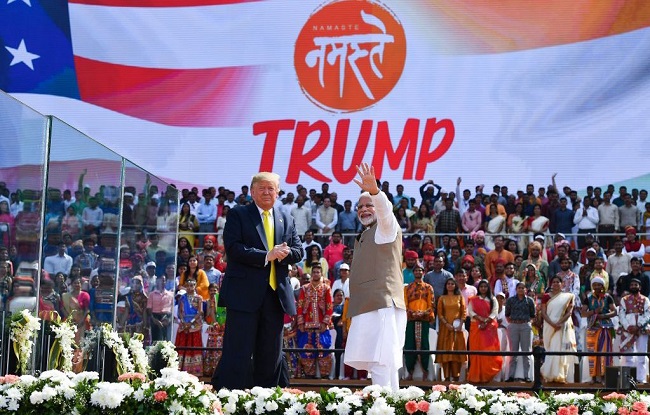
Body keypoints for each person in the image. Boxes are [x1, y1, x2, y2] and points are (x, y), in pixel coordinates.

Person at [212, 172, 303, 390]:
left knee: (270, 353)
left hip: (274, 296)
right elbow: (233, 248)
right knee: (238, 350)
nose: (266, 192)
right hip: (244, 296)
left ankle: (266, 400)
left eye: (271, 188)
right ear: (252, 192)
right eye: (261, 188)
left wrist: (284, 253)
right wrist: (266, 255)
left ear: (278, 192)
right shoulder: (238, 214)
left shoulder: (286, 218)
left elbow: (298, 251)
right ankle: (231, 398)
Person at [344, 163, 407, 391]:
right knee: (380, 363)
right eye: (360, 206)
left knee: (381, 361)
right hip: (368, 305)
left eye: (368, 205)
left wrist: (375, 193)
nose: (364, 209)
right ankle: (392, 404)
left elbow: (386, 213)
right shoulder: (364, 235)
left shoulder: (385, 229)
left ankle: (383, 406)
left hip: (382, 304)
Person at [296, 263, 333, 378]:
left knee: (324, 351)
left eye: (318, 272)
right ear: (311, 274)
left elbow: (329, 306)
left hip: (322, 325)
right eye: (314, 272)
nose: (316, 274)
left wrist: (325, 322)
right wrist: (301, 322)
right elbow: (300, 305)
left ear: (321, 274)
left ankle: (324, 378)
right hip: (307, 325)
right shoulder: (305, 288)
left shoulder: (326, 288)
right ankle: (309, 377)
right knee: (307, 352)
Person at [540, 275, 577, 383]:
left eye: (558, 282)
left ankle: (559, 375)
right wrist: (552, 324)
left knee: (559, 348)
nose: (555, 284)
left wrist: (559, 323)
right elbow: (543, 312)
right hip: (549, 325)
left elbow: (569, 312)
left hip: (562, 326)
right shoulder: (546, 296)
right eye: (554, 282)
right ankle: (550, 374)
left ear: (562, 284)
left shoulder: (568, 296)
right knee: (551, 348)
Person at [467, 280, 503, 383]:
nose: (483, 288)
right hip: (476, 328)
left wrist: (486, 321)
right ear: (478, 288)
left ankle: (488, 376)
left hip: (489, 329)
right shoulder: (473, 300)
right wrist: (480, 319)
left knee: (489, 352)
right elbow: (470, 311)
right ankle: (476, 377)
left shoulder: (493, 300)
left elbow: (494, 312)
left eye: (485, 287)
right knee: (476, 352)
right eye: (481, 286)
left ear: (488, 288)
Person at [581, 276, 616, 384]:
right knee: (593, 352)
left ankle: (604, 376)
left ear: (602, 286)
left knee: (605, 352)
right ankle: (593, 376)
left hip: (605, 328)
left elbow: (614, 311)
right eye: (595, 285)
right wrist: (594, 312)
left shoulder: (608, 297)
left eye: (599, 285)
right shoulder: (589, 298)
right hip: (593, 328)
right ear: (592, 286)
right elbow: (583, 313)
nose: (597, 287)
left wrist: (604, 315)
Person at [403, 261, 434, 380]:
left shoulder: (428, 287)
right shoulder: (408, 287)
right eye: (416, 270)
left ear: (423, 272)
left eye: (420, 270)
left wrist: (423, 313)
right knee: (410, 344)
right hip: (411, 319)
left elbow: (431, 304)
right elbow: (405, 303)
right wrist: (412, 313)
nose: (418, 272)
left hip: (424, 319)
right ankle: (409, 372)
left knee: (424, 345)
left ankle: (425, 371)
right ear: (413, 272)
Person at [618, 278, 650, 385]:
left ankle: (641, 379)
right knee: (628, 357)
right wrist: (628, 327)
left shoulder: (645, 300)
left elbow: (648, 314)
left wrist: (639, 326)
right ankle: (629, 380)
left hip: (642, 330)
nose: (633, 286)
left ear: (639, 287)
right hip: (628, 330)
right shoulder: (624, 300)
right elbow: (621, 315)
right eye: (631, 284)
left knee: (642, 354)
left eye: (635, 284)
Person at [435, 277, 467, 382]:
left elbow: (464, 311)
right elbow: (440, 313)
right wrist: (446, 324)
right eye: (448, 284)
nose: (450, 285)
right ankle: (447, 377)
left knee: (457, 352)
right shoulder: (442, 298)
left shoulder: (459, 297)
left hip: (457, 329)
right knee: (446, 351)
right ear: (445, 286)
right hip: (445, 329)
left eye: (452, 284)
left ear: (455, 286)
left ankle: (456, 376)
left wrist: (460, 324)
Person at [504, 282, 535, 382]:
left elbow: (532, 315)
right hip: (513, 325)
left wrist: (525, 322)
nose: (521, 289)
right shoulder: (511, 300)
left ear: (526, 289)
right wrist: (514, 322)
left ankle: (527, 376)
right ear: (516, 289)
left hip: (525, 325)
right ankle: (511, 376)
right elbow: (507, 314)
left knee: (527, 351)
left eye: (523, 288)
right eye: (519, 288)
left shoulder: (529, 301)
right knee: (513, 351)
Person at [176, 278, 204, 376]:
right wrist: (184, 322)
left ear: (195, 286)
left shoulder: (199, 298)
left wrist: (191, 322)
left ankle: (195, 370)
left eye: (192, 285)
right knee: (182, 344)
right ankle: (180, 368)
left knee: (194, 345)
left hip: (194, 324)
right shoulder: (182, 298)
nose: (189, 287)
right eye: (187, 285)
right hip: (184, 324)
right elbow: (179, 311)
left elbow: (200, 312)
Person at [204, 282, 227, 377]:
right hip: (214, 327)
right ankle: (211, 370)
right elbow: (209, 314)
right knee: (212, 349)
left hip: (222, 328)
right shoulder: (208, 302)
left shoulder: (222, 300)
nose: (213, 292)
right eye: (211, 290)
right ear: (208, 291)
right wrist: (215, 322)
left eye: (215, 290)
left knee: (220, 349)